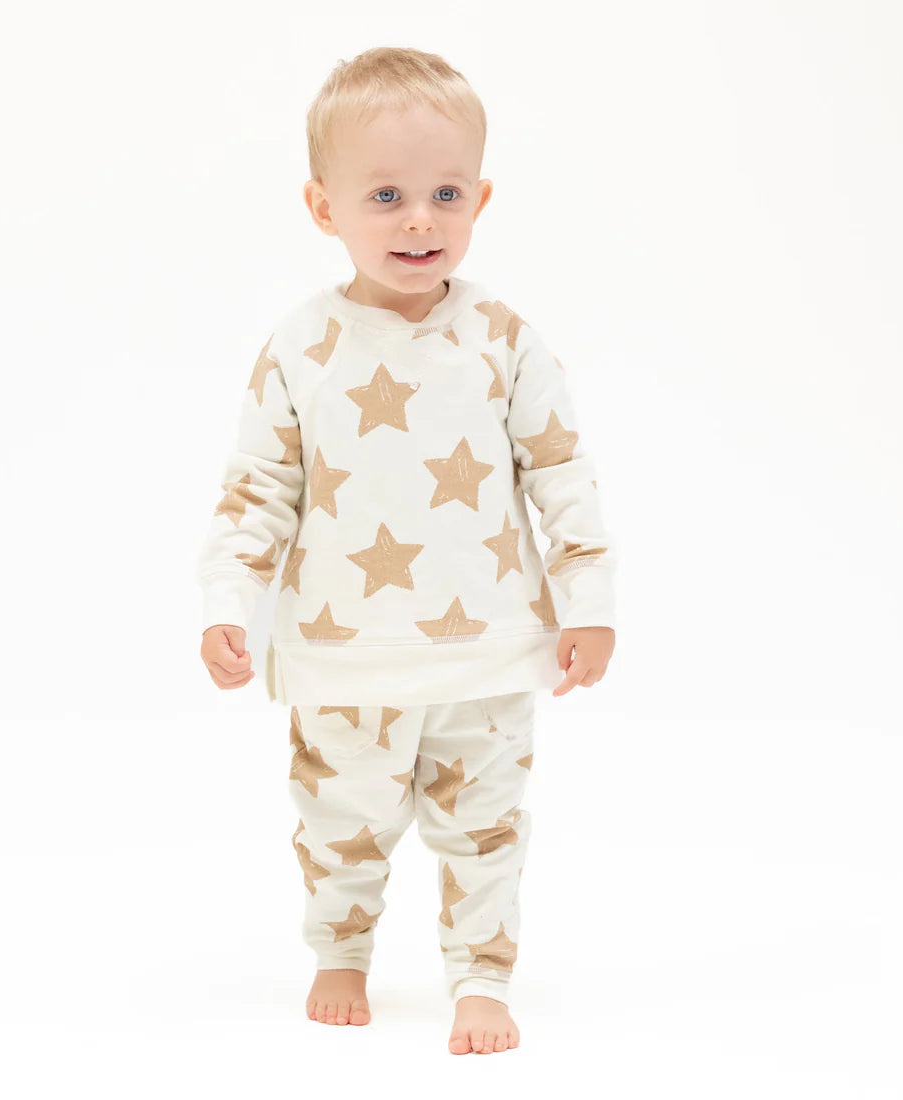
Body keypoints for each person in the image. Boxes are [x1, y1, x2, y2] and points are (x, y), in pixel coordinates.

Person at [195, 46, 617, 1055]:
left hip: (487, 656)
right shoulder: (300, 346)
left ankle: (481, 976)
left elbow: (560, 471)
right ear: (323, 206)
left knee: (486, 829)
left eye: (444, 194)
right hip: (342, 660)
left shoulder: (504, 339)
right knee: (336, 822)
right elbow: (258, 488)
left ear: (480, 198)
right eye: (385, 195)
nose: (419, 220)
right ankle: (340, 949)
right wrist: (225, 601)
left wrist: (590, 600)